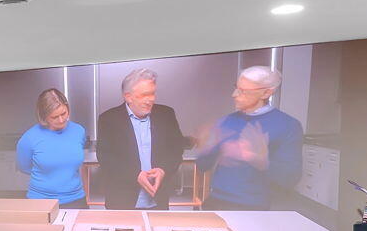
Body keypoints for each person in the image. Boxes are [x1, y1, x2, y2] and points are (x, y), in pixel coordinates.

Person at [197, 65, 303, 210]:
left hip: (256, 207)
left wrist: (260, 160)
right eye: (236, 87)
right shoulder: (225, 121)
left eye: (243, 91)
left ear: (266, 93)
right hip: (217, 201)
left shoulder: (288, 125)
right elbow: (203, 166)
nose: (234, 94)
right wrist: (206, 148)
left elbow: (291, 179)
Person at [94, 68, 185, 209]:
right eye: (145, 95)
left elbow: (176, 150)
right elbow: (106, 158)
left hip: (158, 201)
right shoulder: (108, 119)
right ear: (128, 96)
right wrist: (135, 175)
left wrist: (163, 170)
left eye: (153, 93)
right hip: (122, 202)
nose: (152, 99)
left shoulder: (166, 114)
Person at [14, 87, 89, 206]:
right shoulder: (28, 138)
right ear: (43, 116)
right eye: (54, 117)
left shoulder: (79, 131)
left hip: (76, 199)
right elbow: (24, 167)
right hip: (40, 202)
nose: (61, 120)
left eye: (64, 113)